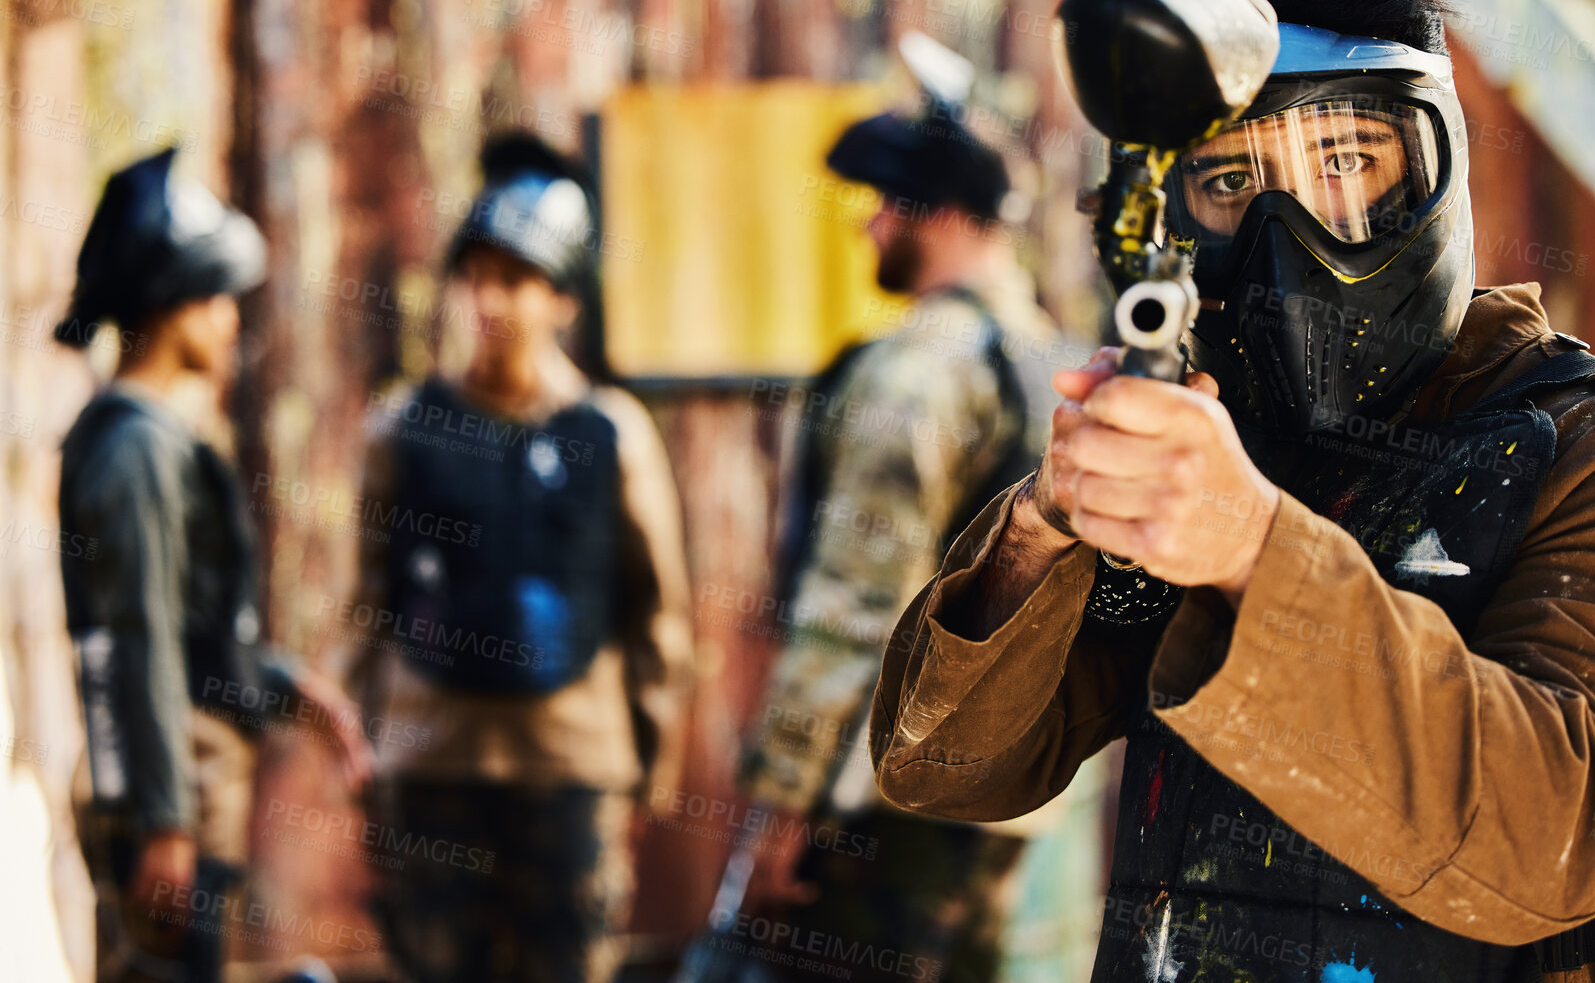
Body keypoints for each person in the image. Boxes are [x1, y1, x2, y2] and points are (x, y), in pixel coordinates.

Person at [869, 0, 1595, 983]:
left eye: (1344, 157)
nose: (1296, 227)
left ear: (1434, 161)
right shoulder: (1224, 440)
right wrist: (1041, 532)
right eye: (1231, 184)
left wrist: (1251, 548)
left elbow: (1546, 845)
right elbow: (941, 767)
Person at [727, 90, 1083, 983]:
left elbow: (855, 600)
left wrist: (783, 809)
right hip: (1007, 798)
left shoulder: (921, 369)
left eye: (893, 204)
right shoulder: (1049, 362)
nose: (871, 227)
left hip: (886, 805)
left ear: (954, 216)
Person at [340, 132, 692, 983]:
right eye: (481, 277)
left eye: (521, 281)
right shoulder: (402, 425)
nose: (494, 302)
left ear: (561, 299)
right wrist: (359, 742)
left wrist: (654, 769)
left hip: (570, 763)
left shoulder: (611, 434)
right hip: (433, 760)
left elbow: (657, 612)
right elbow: (367, 600)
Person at [55, 147, 373, 983]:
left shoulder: (157, 438)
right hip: (173, 801)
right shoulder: (137, 451)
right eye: (216, 300)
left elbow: (192, 631)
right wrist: (164, 823)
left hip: (191, 795)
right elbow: (140, 636)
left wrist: (290, 689)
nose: (231, 320)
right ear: (172, 309)